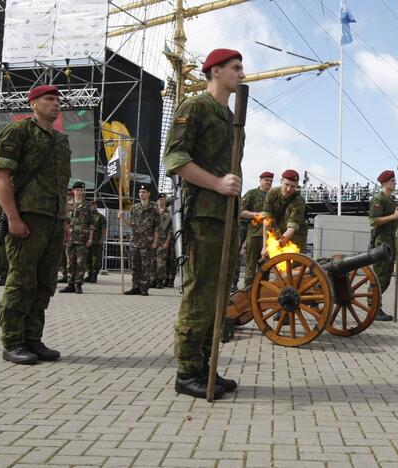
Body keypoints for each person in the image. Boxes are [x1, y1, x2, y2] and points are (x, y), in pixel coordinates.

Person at [163, 47, 245, 400]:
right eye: (235, 68)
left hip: (226, 216)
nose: (241, 74)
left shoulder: (231, 117)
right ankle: (187, 372)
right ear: (214, 71)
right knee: (200, 296)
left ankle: (205, 367)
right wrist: (216, 184)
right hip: (202, 216)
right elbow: (175, 159)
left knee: (219, 295)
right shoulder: (195, 108)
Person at [0, 84, 71, 365]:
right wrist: (13, 217)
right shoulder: (19, 132)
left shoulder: (61, 141)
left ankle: (32, 339)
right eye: (49, 99)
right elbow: (2, 178)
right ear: (34, 104)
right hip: (27, 218)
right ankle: (12, 341)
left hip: (52, 220)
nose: (56, 104)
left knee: (44, 283)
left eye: (58, 100)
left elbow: (61, 185)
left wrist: (63, 220)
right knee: (22, 280)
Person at [368, 170, 398, 322]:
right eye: (392, 181)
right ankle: (373, 307)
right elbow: (373, 221)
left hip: (390, 241)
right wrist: (393, 217)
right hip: (381, 242)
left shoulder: (390, 200)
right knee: (379, 275)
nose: (395, 183)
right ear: (384, 183)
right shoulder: (378, 199)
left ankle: (376, 305)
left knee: (386, 276)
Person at [261, 169, 307, 256]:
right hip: (279, 232)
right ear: (281, 181)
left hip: (296, 237)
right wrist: (265, 246)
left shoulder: (299, 201)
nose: (289, 189)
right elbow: (267, 221)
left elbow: (291, 229)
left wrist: (274, 247)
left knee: (293, 266)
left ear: (297, 186)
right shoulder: (272, 193)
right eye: (286, 184)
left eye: (293, 186)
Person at [122, 185, 159, 296]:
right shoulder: (135, 208)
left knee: (146, 266)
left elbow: (157, 227)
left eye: (143, 192)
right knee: (134, 265)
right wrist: (123, 218)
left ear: (148, 194)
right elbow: (132, 224)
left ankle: (144, 288)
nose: (141, 194)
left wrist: (155, 241)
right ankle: (135, 286)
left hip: (147, 242)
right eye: (140, 192)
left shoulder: (154, 209)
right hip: (135, 242)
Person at [240, 171, 273, 287]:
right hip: (253, 236)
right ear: (260, 180)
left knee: (265, 269)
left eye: (270, 181)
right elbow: (241, 212)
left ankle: (261, 296)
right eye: (266, 180)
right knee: (250, 268)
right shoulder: (251, 194)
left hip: (270, 238)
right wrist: (256, 214)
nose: (268, 183)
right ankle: (247, 294)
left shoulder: (274, 195)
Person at [60, 182, 93, 294]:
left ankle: (78, 284)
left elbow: (91, 224)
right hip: (69, 237)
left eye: (81, 190)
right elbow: (64, 221)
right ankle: (70, 284)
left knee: (81, 262)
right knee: (69, 262)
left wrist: (90, 239)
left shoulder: (88, 205)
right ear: (73, 191)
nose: (79, 192)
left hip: (82, 238)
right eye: (77, 190)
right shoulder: (68, 204)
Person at [153, 193, 173, 289]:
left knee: (161, 262)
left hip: (163, 240)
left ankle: (160, 281)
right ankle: (153, 280)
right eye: (159, 199)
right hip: (152, 240)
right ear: (157, 201)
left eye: (163, 199)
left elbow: (170, 230)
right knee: (152, 261)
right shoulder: (153, 212)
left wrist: (167, 242)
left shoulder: (169, 213)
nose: (161, 200)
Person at [85, 200, 106, 283]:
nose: (92, 206)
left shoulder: (100, 217)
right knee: (88, 258)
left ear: (96, 206)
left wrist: (102, 239)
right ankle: (89, 274)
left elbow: (103, 229)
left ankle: (94, 275)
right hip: (87, 241)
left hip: (96, 241)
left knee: (96, 259)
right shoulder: (87, 215)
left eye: (93, 205)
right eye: (90, 205)